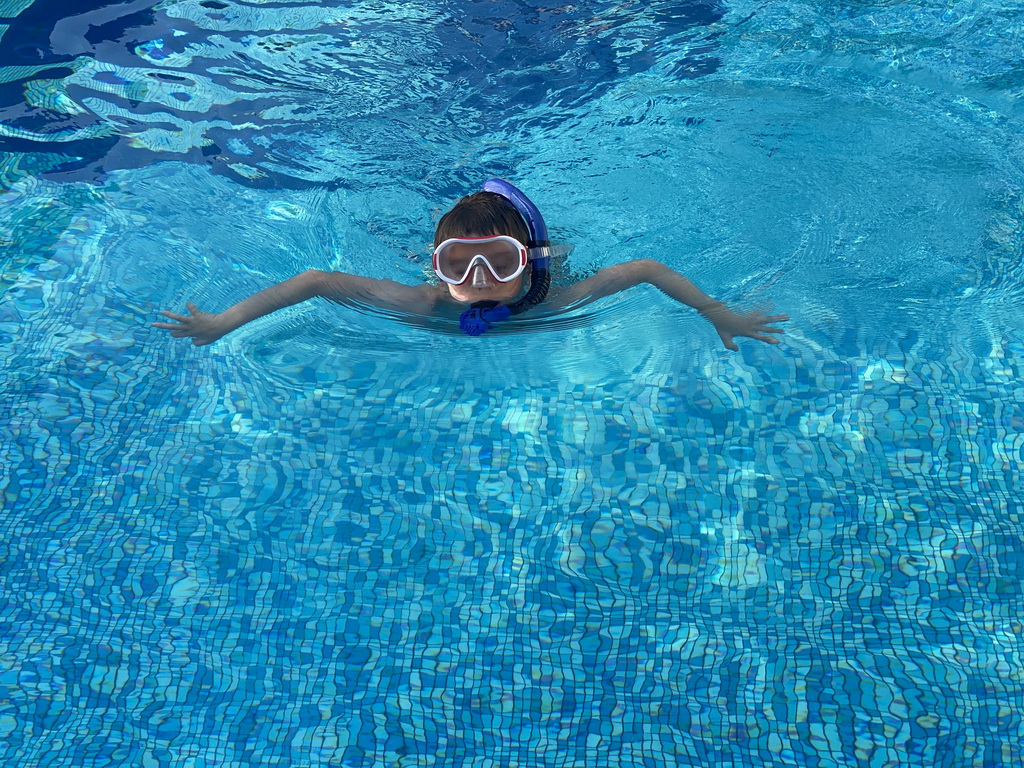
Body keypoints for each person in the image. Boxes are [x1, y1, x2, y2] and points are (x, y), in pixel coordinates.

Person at [154, 179, 788, 347]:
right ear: (438, 267)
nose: (478, 280)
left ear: (529, 263)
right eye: (459, 264)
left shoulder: (552, 295)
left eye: (498, 262)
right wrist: (222, 322)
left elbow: (646, 266)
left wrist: (717, 314)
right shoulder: (431, 297)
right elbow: (317, 281)